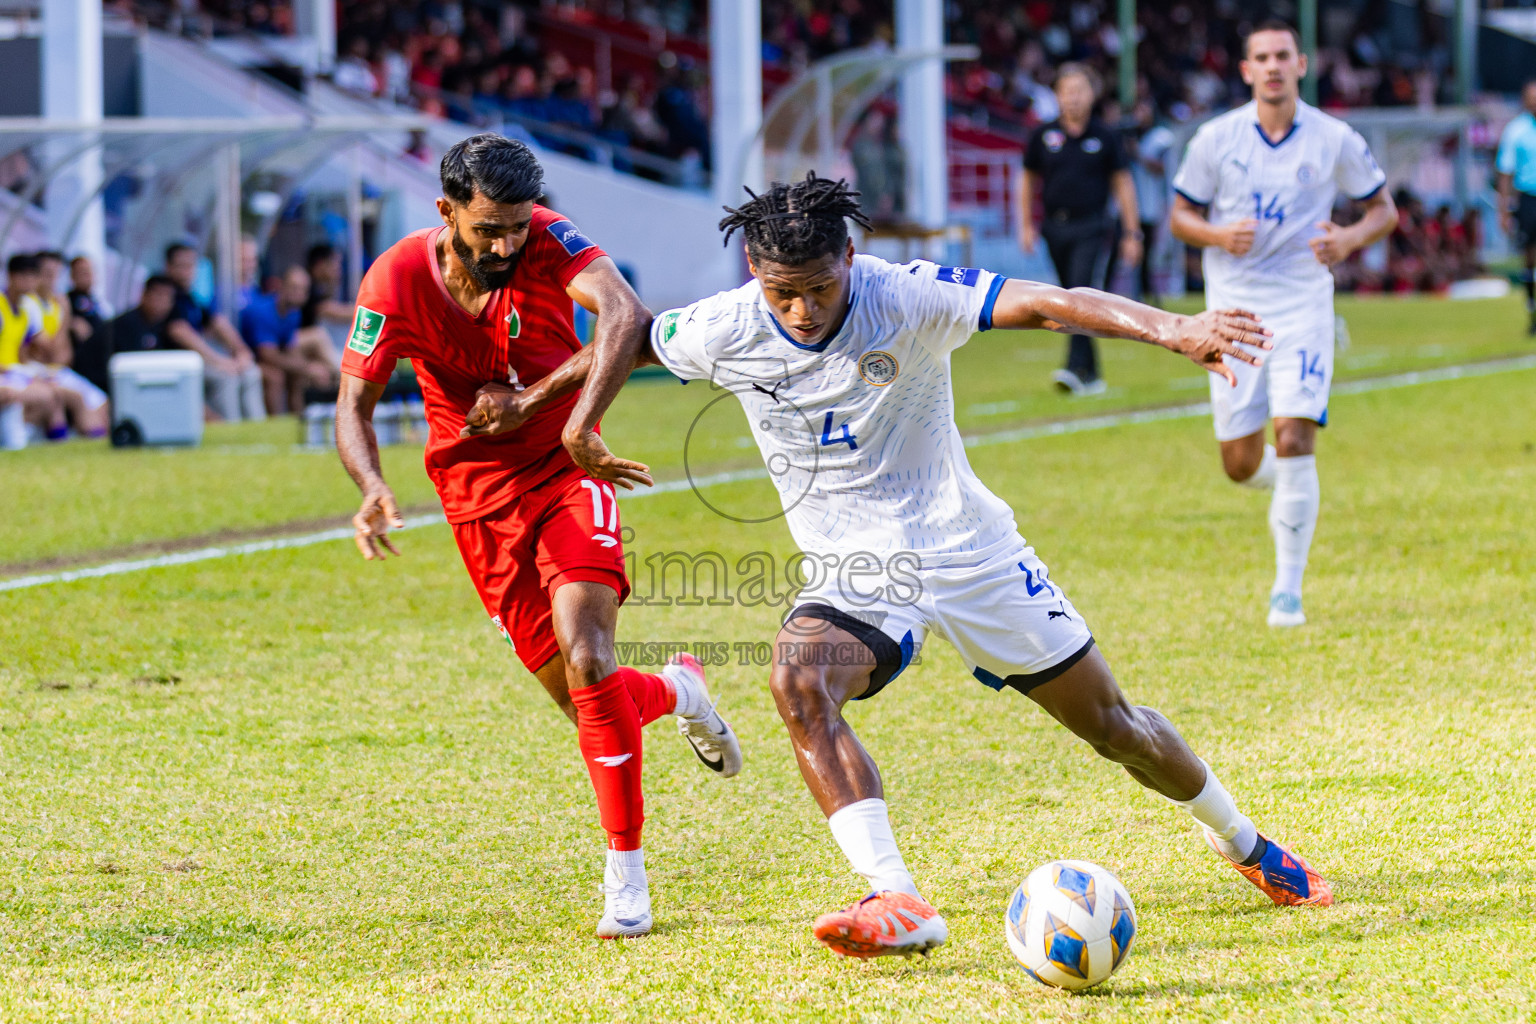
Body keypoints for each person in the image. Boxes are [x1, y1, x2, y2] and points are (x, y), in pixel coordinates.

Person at [481, 172, 1334, 960]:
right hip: (855, 568)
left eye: (821, 287)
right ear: (754, 271)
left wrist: (1175, 328)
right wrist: (532, 401)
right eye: (785, 292)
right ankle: (897, 897)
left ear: (850, 258)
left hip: (969, 548)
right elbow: (626, 344)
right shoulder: (724, 324)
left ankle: (1247, 844)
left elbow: (1049, 301)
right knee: (797, 682)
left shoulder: (906, 294)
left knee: (1116, 729)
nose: (805, 310)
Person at [335, 133, 742, 939]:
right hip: (474, 499)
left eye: (518, 227)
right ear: (446, 211)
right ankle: (681, 692)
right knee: (584, 699)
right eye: (490, 230)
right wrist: (373, 485)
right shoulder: (394, 280)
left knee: (590, 655)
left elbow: (629, 315)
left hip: (569, 468)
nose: (507, 245)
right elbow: (354, 405)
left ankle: (626, 877)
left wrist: (559, 412)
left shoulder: (549, 239)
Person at [1169, 20, 1397, 628]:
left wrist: (1348, 238)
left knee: (1295, 438)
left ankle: (1286, 593)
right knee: (1240, 464)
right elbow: (1179, 216)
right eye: (1261, 58)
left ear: (1302, 63)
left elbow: (1383, 209)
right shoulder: (1216, 139)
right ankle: (1292, 490)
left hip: (1303, 307)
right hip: (1234, 313)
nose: (1272, 66)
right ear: (1246, 71)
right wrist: (1216, 234)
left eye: (1282, 56)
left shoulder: (1334, 138)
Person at [1019, 63, 1142, 395]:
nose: (1073, 97)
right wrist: (1026, 225)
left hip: (1093, 226)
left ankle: (1074, 369)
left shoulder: (1106, 136)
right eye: (1066, 91)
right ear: (1057, 95)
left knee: (1078, 291)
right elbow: (1027, 180)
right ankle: (1092, 373)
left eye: (1079, 90)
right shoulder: (1042, 135)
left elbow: (1123, 184)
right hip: (1054, 228)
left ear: (1093, 94)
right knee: (1071, 295)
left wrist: (1132, 232)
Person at [0, 253, 108, 438]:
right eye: (46, 274)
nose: (29, 282)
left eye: (32, 276)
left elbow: (52, 354)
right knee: (54, 396)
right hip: (9, 373)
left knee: (85, 398)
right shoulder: (10, 306)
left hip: (19, 371)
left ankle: (88, 440)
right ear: (11, 276)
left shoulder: (27, 307)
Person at [163, 242, 267, 422]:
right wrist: (219, 361)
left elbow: (218, 323)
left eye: (191, 265)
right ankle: (231, 428)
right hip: (177, 365)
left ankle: (257, 425)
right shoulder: (165, 295)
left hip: (202, 362)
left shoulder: (191, 298)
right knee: (226, 377)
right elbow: (180, 332)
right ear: (169, 267)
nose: (187, 271)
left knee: (250, 371)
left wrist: (241, 351)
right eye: (181, 266)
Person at [241, 266, 341, 414]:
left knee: (297, 375)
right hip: (248, 359)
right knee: (276, 376)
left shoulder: (294, 313)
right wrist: (308, 368)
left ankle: (298, 418)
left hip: (265, 357)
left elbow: (290, 349)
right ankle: (275, 424)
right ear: (281, 286)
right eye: (294, 287)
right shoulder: (262, 311)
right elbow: (267, 355)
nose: (298, 293)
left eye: (303, 290)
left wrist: (311, 368)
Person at [1496, 77, 1536, 336]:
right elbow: (1505, 172)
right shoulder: (1516, 130)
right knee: (1530, 257)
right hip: (1528, 198)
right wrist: (1504, 210)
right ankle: (1533, 310)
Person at [67, 255, 111, 395]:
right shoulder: (67, 302)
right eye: (82, 272)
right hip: (81, 365)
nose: (87, 276)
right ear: (72, 276)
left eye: (90, 272)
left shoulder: (99, 303)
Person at [109, 275, 180, 354]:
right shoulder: (124, 325)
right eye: (159, 295)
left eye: (167, 298)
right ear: (144, 295)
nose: (162, 302)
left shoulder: (166, 327)